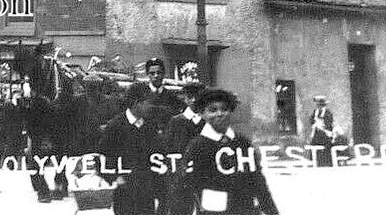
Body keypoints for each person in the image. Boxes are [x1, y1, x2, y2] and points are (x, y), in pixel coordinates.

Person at [176, 89, 279, 215]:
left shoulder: (242, 143)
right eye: (212, 110)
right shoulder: (197, 146)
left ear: (231, 112)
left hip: (246, 209)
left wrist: (272, 212)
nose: (219, 114)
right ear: (202, 114)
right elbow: (185, 188)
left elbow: (258, 182)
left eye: (224, 109)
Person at [97, 82, 158, 215]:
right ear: (137, 103)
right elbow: (101, 157)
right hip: (124, 193)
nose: (151, 107)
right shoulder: (115, 126)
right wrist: (115, 177)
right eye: (148, 102)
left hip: (146, 191)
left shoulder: (150, 126)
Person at [159, 81, 206, 215]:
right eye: (190, 96)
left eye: (199, 96)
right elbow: (167, 149)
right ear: (185, 98)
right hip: (181, 177)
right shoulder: (176, 122)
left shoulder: (208, 122)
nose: (194, 100)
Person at [144, 57, 184, 134]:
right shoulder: (141, 94)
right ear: (147, 75)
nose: (156, 76)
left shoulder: (172, 96)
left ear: (163, 74)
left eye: (159, 73)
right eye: (152, 73)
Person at [308, 95, 334, 167]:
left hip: (326, 134)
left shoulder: (327, 112)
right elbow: (311, 121)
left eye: (320, 105)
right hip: (317, 134)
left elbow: (329, 123)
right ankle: (316, 162)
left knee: (327, 146)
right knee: (314, 146)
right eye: (317, 105)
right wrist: (315, 124)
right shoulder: (315, 112)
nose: (318, 107)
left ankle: (327, 163)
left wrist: (322, 125)